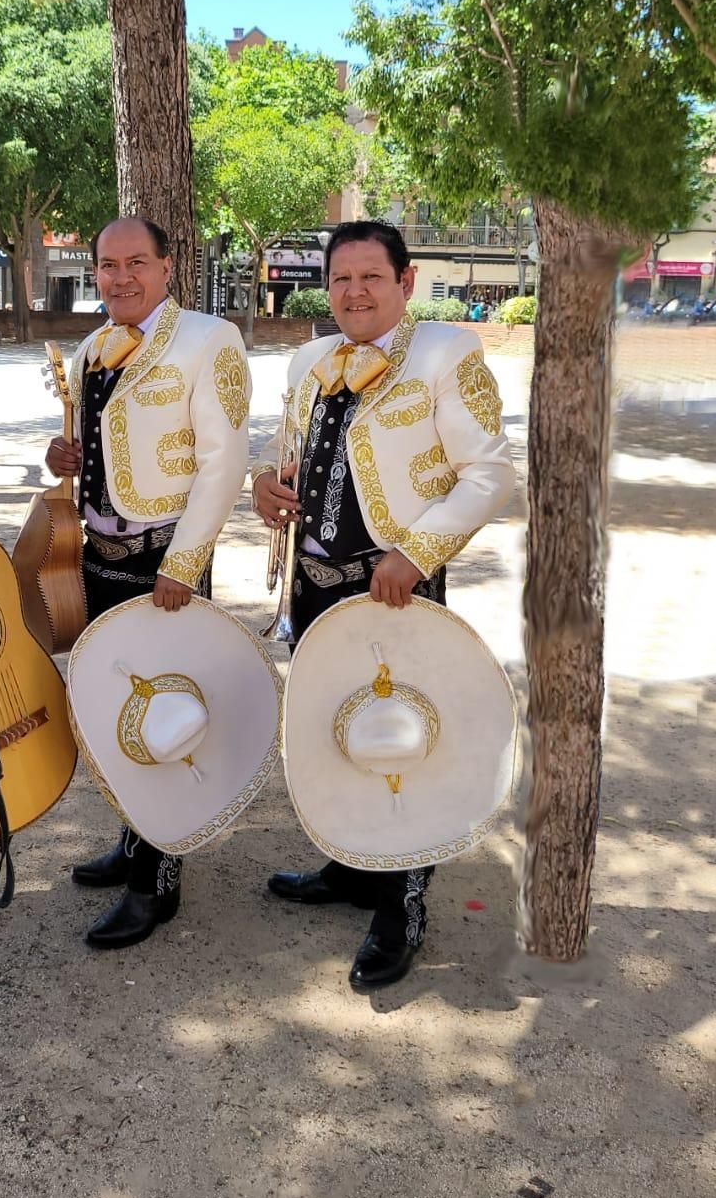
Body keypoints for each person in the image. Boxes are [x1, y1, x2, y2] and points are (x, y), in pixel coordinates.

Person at [251, 219, 515, 991]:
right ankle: (346, 863)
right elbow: (287, 456)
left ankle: (400, 904)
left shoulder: (446, 353)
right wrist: (263, 488)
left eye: (370, 277)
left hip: (395, 586)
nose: (353, 292)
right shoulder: (308, 359)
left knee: (403, 740)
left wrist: (417, 553)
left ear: (405, 281)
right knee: (333, 728)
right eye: (340, 279)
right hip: (314, 582)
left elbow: (487, 473)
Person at [45, 217, 251, 948]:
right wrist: (62, 456)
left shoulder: (207, 339)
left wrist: (184, 565)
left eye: (137, 262)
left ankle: (155, 885)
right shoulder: (90, 350)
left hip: (165, 560)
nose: (120, 277)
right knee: (115, 700)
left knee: (168, 712)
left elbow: (223, 462)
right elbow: (94, 452)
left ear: (168, 267)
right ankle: (135, 841)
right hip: (98, 555)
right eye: (107, 265)